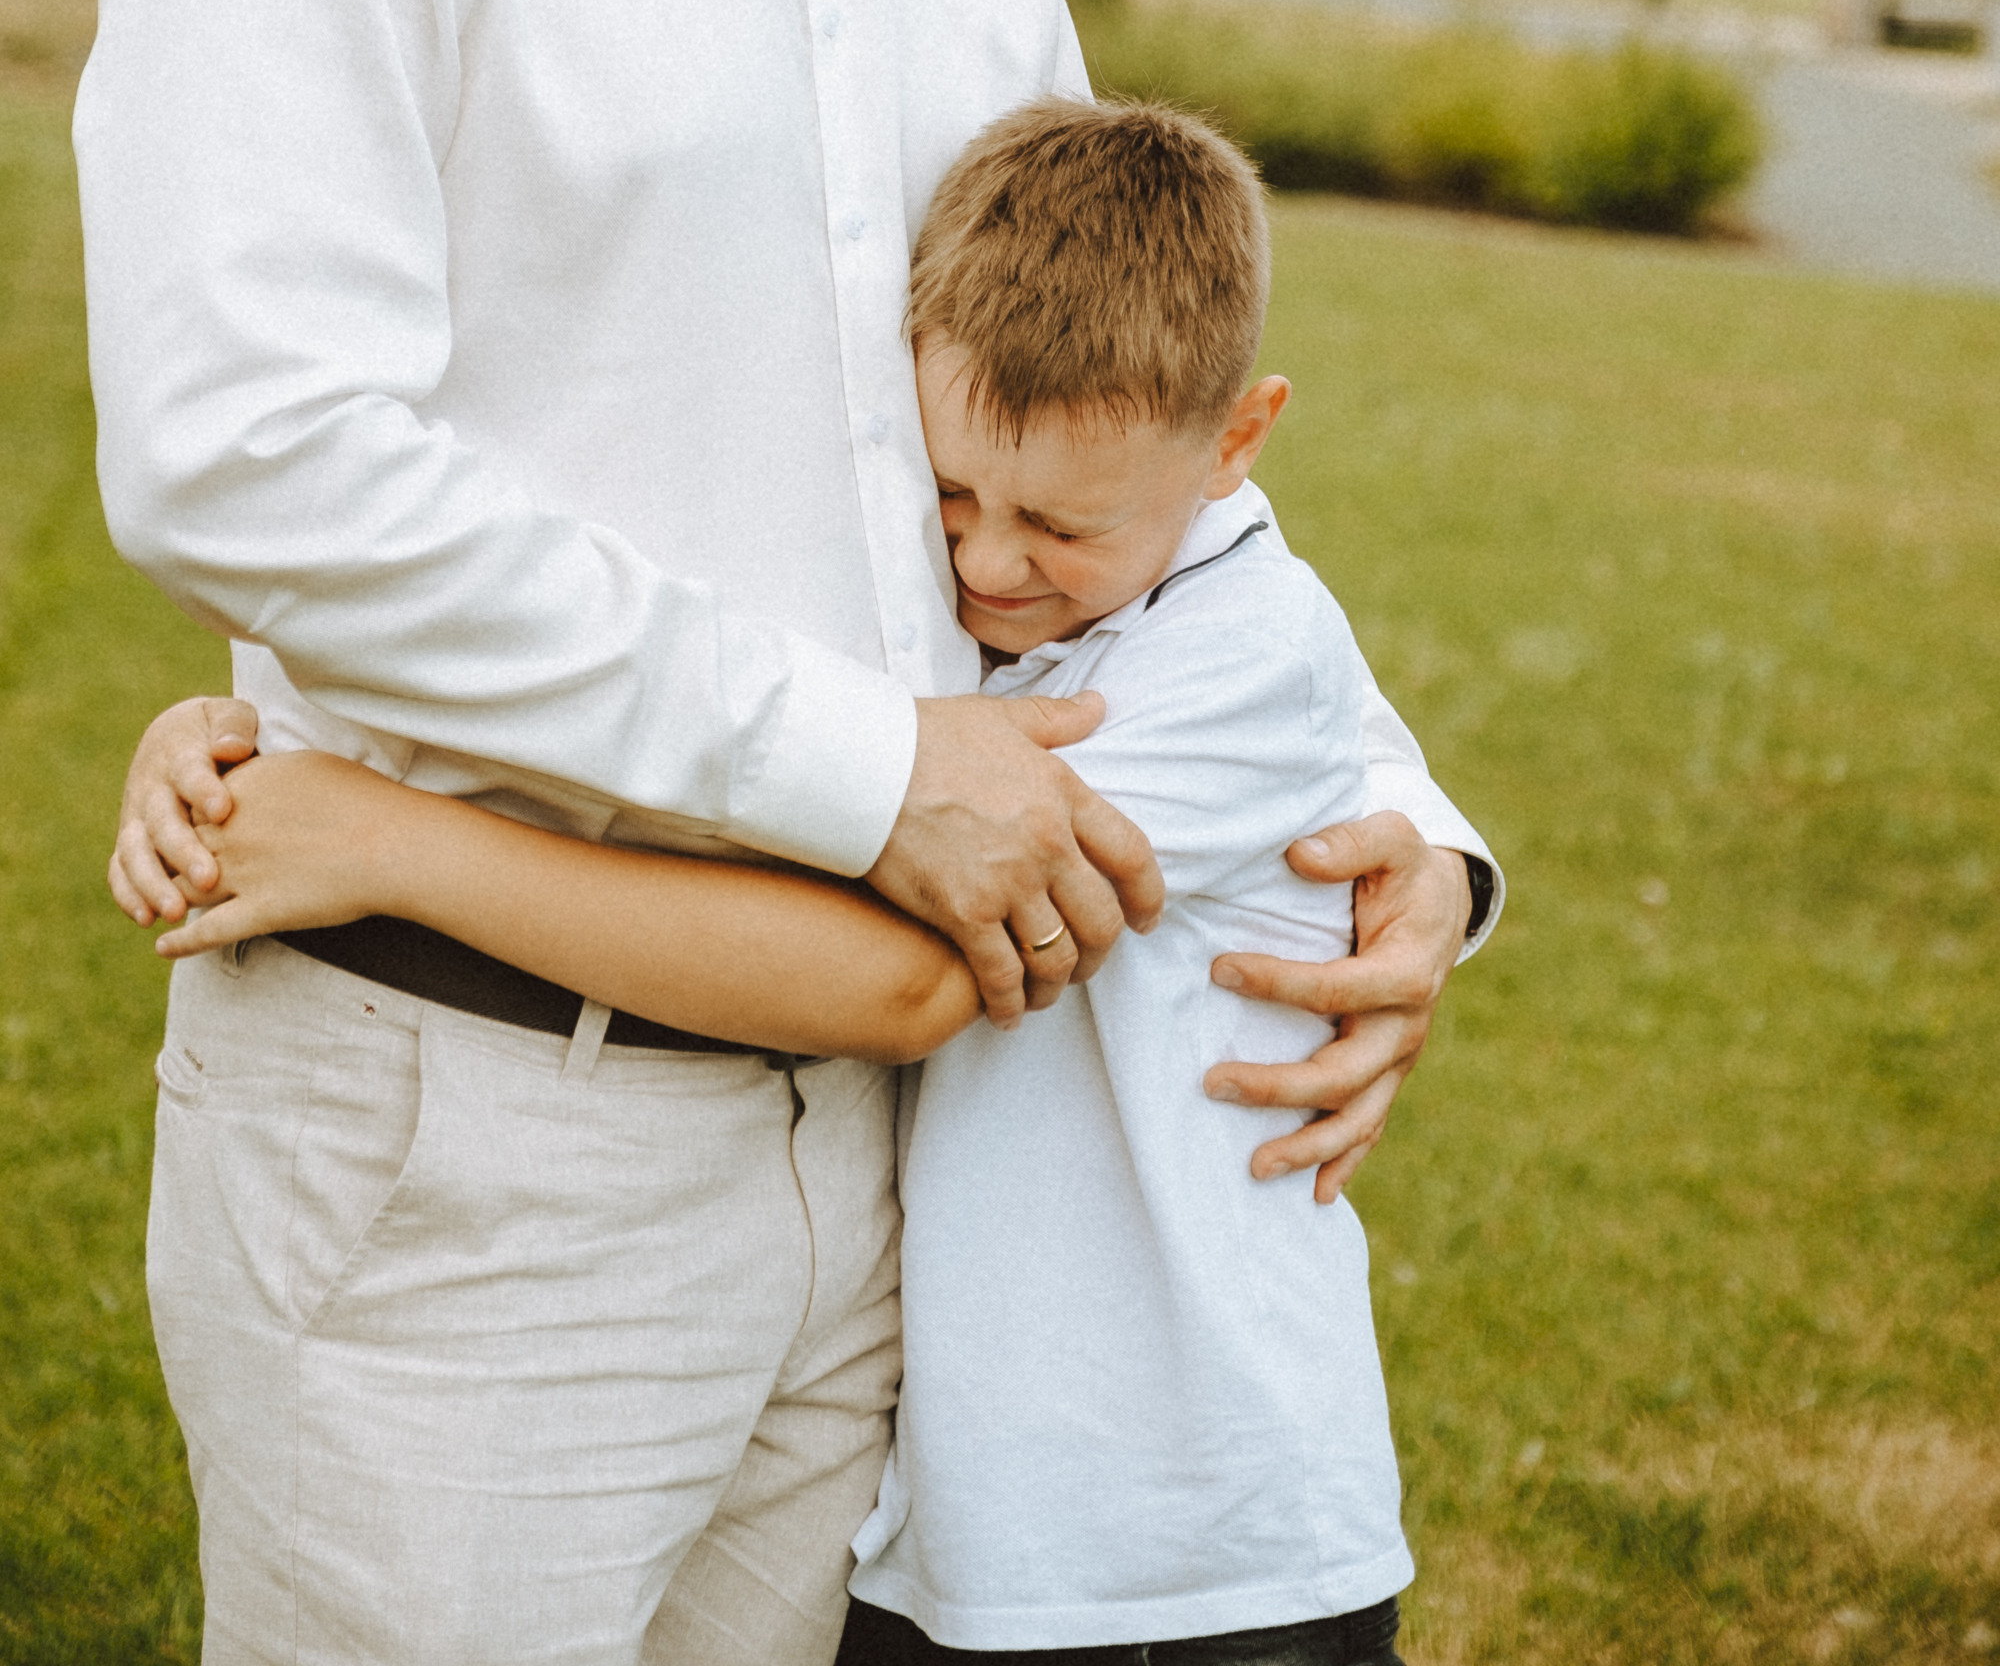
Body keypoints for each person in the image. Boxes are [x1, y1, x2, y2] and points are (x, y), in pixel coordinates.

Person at [85, 0, 1495, 1666]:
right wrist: (872, 772)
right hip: (463, 1141)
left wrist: (1403, 836)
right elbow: (251, 451)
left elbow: (1121, 454)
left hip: (897, 1161)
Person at [148, 98, 1485, 1664]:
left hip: (1197, 1549)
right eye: (952, 498)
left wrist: (385, 842)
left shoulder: (1230, 652)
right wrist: (254, 740)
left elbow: (898, 977)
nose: (986, 565)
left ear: (1238, 442)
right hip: (977, 1526)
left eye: (1059, 523)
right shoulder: (1042, 623)